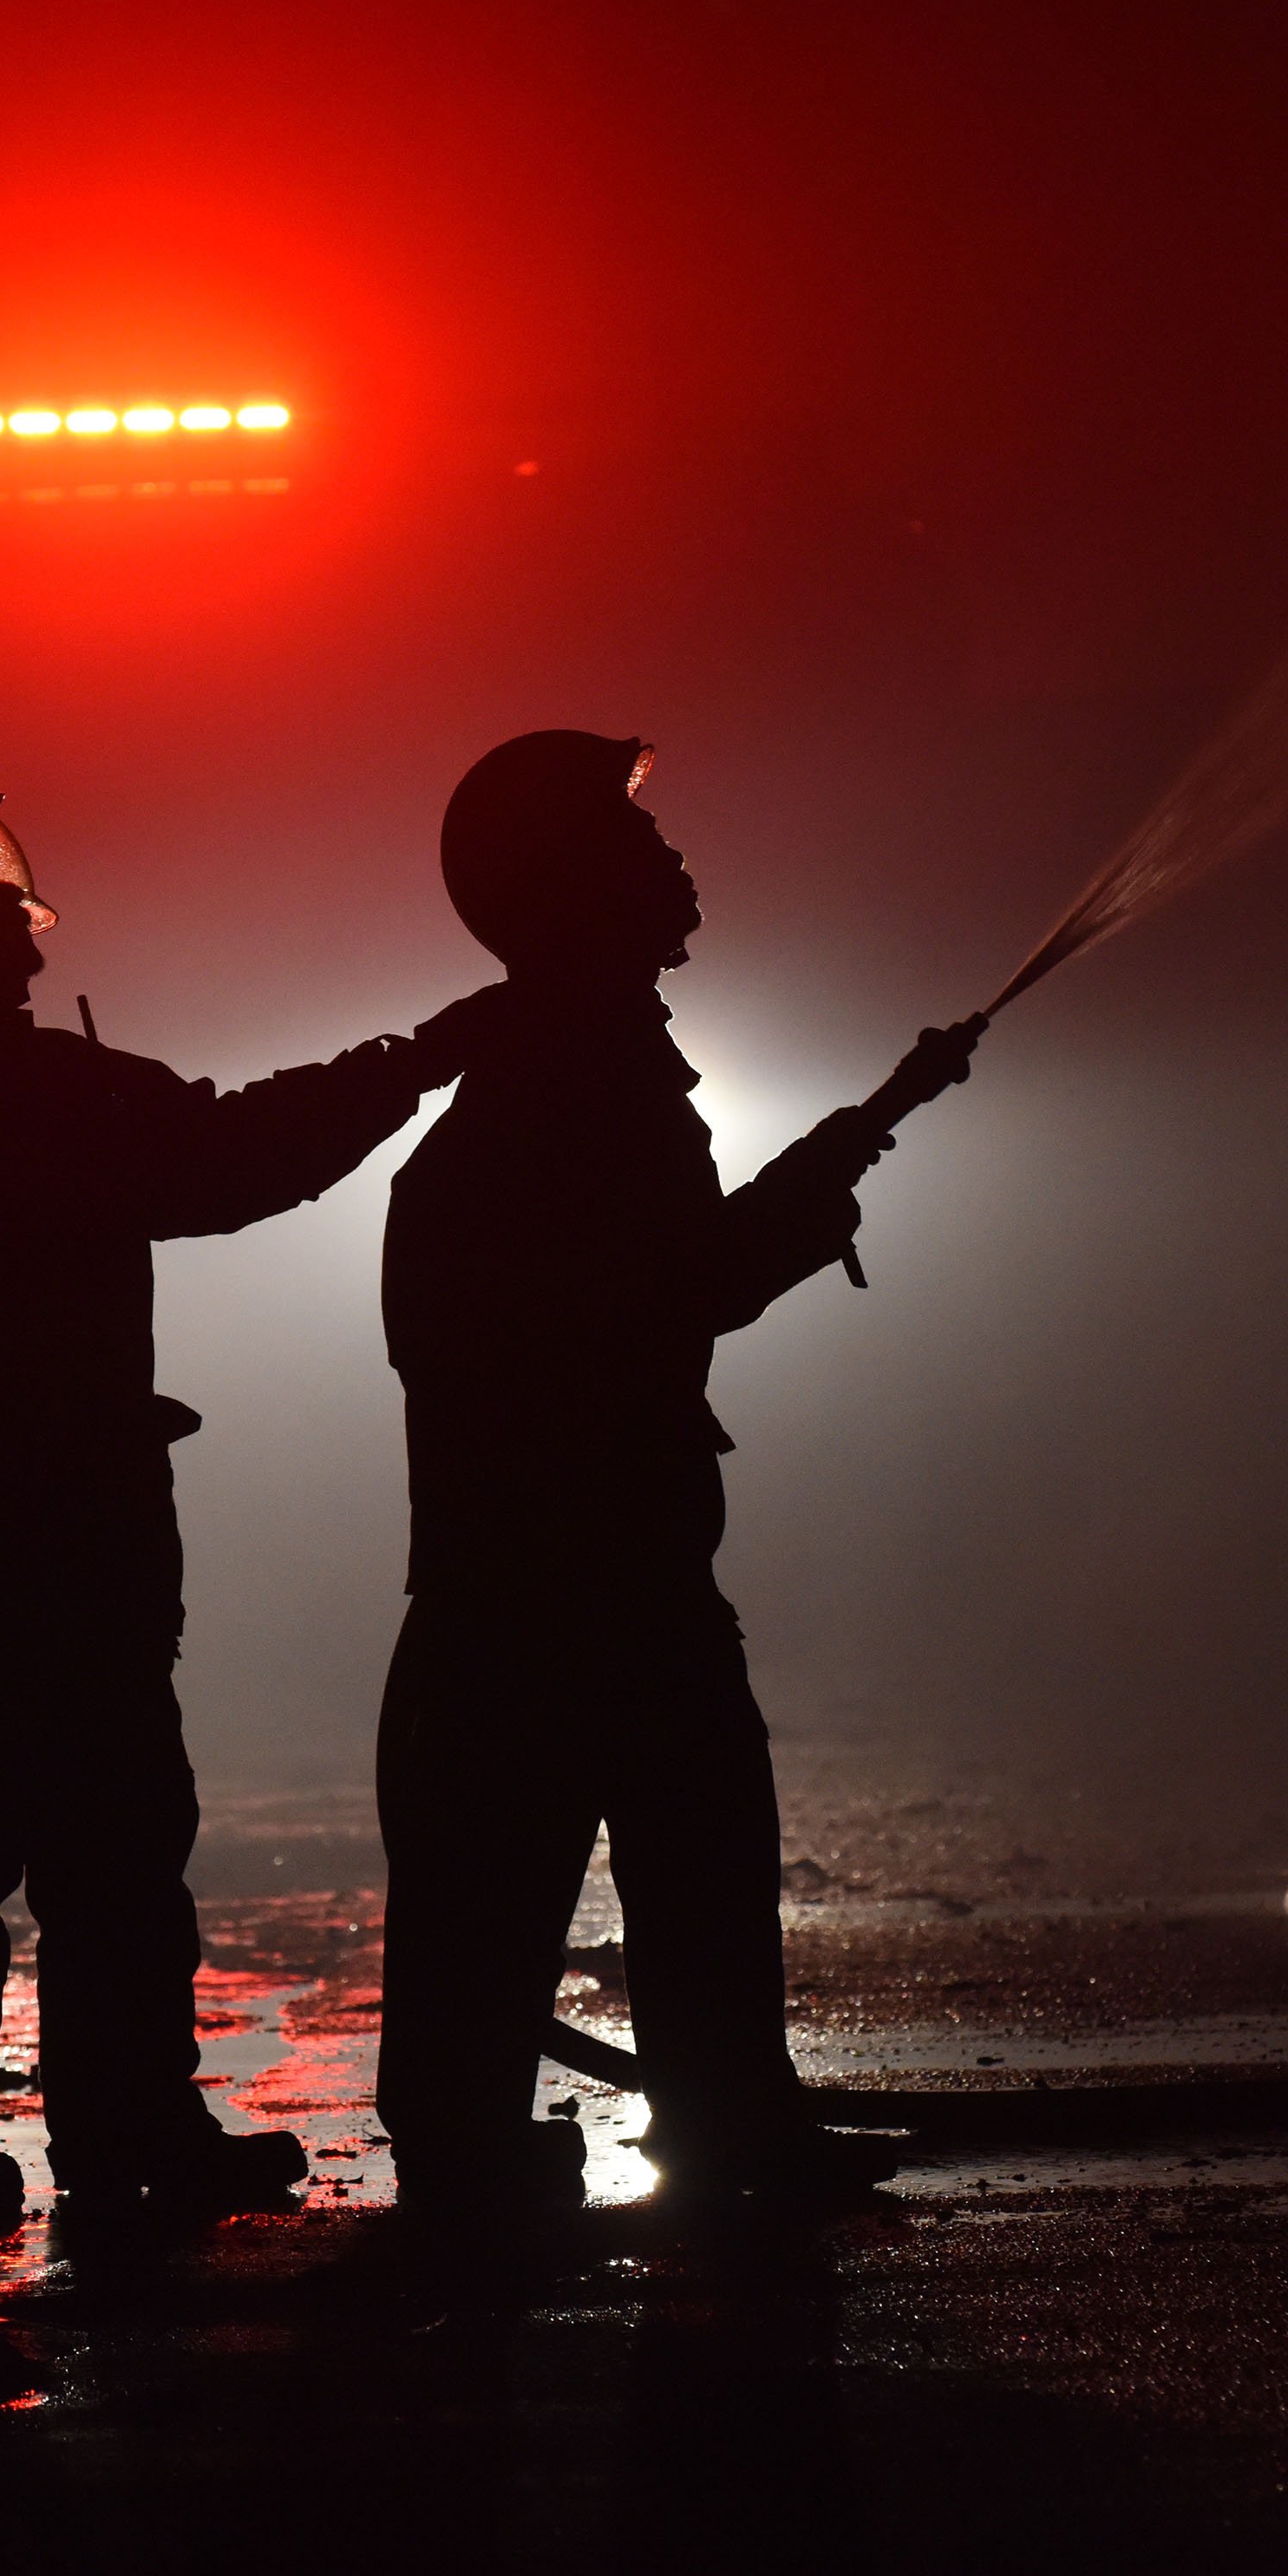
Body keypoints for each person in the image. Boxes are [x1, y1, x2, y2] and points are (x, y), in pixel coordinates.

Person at [0, 764, 495, 2252]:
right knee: (107, 1860)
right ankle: (128, 2134)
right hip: (65, 1557)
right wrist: (418, 1059)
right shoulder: (29, 1100)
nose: (26, 925)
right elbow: (233, 1155)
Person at [372, 731, 974, 2219]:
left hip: (545, 1560)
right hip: (581, 1563)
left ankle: (551, 2146)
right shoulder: (579, 1078)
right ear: (572, 886)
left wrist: (863, 1125)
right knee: (642, 1854)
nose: (674, 862)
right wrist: (861, 1134)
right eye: (635, 845)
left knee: (544, 1868)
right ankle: (666, 2142)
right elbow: (681, 1283)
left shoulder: (568, 1060)